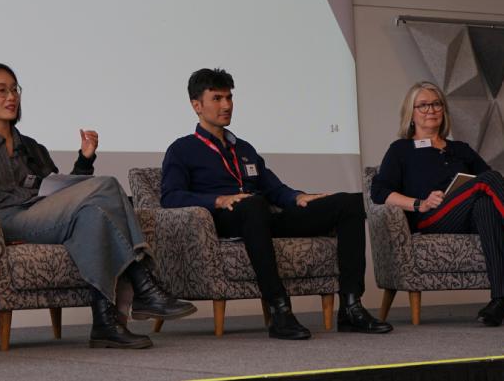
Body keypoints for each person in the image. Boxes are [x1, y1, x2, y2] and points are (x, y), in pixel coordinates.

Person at [0, 62, 196, 349]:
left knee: (93, 216)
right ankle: (143, 282)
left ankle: (105, 325)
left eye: (15, 90)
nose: (11, 97)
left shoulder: (32, 147)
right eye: (1, 91)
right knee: (107, 184)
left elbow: (63, 190)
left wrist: (84, 160)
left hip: (40, 213)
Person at [162, 68, 392, 339]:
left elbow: (273, 188)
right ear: (197, 105)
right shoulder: (181, 149)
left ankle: (351, 307)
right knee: (253, 205)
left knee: (349, 203)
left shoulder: (244, 148)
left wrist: (297, 197)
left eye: (229, 97)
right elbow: (170, 197)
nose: (226, 105)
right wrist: (219, 200)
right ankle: (279, 311)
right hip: (224, 221)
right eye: (217, 98)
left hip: (262, 217)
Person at [370, 81, 504, 326]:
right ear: (411, 113)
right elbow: (378, 191)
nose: (431, 110)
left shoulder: (460, 149)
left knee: (486, 205)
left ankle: (501, 298)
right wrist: (419, 204)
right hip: (432, 217)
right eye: (423, 105)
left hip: (467, 214)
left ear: (443, 110)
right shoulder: (401, 149)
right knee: (487, 182)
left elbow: (496, 183)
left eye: (436, 104)